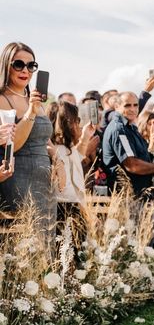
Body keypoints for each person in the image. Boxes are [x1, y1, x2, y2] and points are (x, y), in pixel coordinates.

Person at [0, 42, 56, 235]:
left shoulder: (35, 99)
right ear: (6, 65)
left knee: (48, 242)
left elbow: (44, 139)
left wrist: (58, 161)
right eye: (19, 64)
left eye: (31, 65)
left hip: (45, 178)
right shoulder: (3, 99)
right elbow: (13, 145)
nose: (26, 70)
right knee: (27, 243)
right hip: (19, 177)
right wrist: (31, 111)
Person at [102, 91, 154, 198]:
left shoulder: (131, 127)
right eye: (127, 105)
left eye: (135, 105)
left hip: (139, 194)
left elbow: (143, 158)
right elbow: (132, 165)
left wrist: (152, 145)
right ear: (117, 106)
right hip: (127, 196)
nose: (132, 109)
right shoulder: (119, 129)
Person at [50, 101, 96, 240]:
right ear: (69, 123)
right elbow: (67, 189)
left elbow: (77, 157)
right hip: (66, 209)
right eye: (77, 120)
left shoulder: (64, 147)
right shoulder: (55, 150)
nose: (79, 124)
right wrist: (86, 212)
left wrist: (86, 136)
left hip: (72, 207)